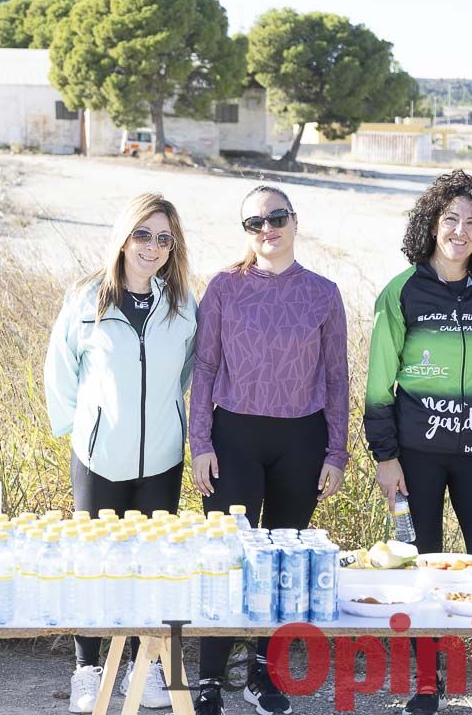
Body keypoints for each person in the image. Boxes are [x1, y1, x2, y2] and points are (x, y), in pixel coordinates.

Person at [190, 184, 349, 715]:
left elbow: (335, 377)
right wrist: (200, 444)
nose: (267, 228)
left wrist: (336, 453)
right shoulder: (223, 289)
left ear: (295, 220)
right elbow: (206, 368)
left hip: (300, 444)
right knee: (229, 558)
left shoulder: (324, 293)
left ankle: (266, 673)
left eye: (276, 216)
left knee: (283, 565)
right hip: (233, 438)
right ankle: (211, 674)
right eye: (255, 221)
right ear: (246, 232)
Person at [43, 193, 197, 713]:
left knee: (154, 564)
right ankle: (88, 670)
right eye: (142, 234)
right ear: (123, 237)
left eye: (163, 238)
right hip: (98, 456)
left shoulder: (181, 303)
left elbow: (186, 372)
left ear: (172, 247)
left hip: (161, 459)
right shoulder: (87, 298)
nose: (152, 247)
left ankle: (148, 668)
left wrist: (172, 420)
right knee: (96, 564)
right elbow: (61, 369)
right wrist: (77, 429)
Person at [365, 169, 472, 715]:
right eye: (451, 219)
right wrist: (385, 458)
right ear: (432, 224)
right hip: (416, 457)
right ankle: (426, 685)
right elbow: (379, 385)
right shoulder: (400, 292)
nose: (461, 231)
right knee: (422, 567)